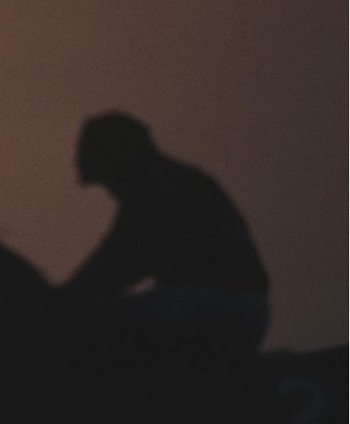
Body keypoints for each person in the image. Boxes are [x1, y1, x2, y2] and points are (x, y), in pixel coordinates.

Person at [63, 111, 270, 354]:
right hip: (243, 309)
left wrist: (59, 304)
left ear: (121, 162)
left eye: (107, 176)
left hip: (215, 307)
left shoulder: (152, 191)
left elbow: (113, 266)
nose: (109, 189)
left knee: (100, 325)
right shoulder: (178, 179)